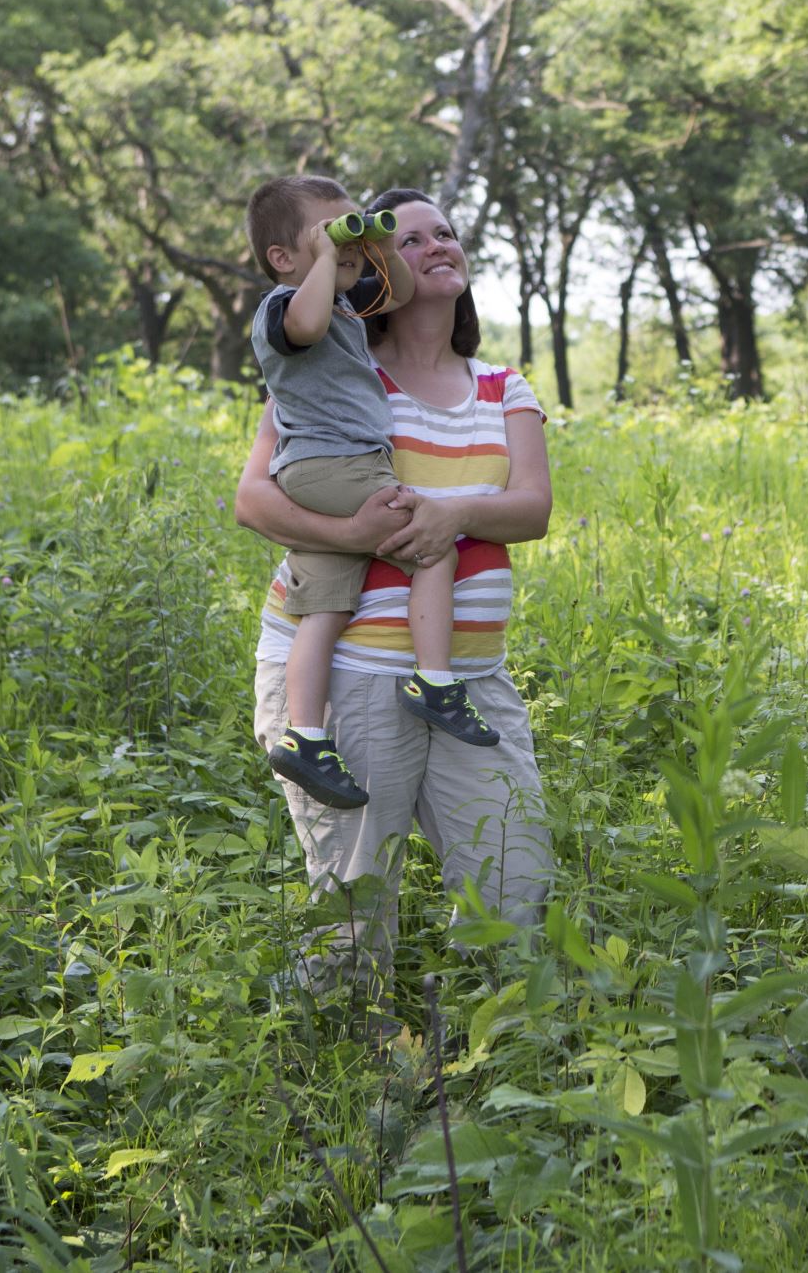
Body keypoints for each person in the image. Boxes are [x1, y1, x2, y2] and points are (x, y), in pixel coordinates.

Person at [234, 187, 555, 1006]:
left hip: (468, 680)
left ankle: (497, 1058)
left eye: (445, 231)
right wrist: (362, 537)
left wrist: (453, 514)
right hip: (351, 673)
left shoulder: (503, 387)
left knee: (514, 880)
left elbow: (532, 510)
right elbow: (256, 501)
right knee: (354, 905)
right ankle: (344, 1079)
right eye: (408, 238)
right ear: (369, 264)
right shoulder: (334, 370)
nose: (436, 244)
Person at [244, 176, 501, 818]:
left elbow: (401, 290)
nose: (350, 244)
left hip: (328, 467)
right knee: (431, 542)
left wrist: (378, 247)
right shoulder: (285, 304)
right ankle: (437, 681)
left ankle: (304, 736)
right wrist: (329, 259)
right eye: (333, 232)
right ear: (284, 257)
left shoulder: (345, 301)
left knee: (324, 608)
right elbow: (303, 324)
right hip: (336, 462)